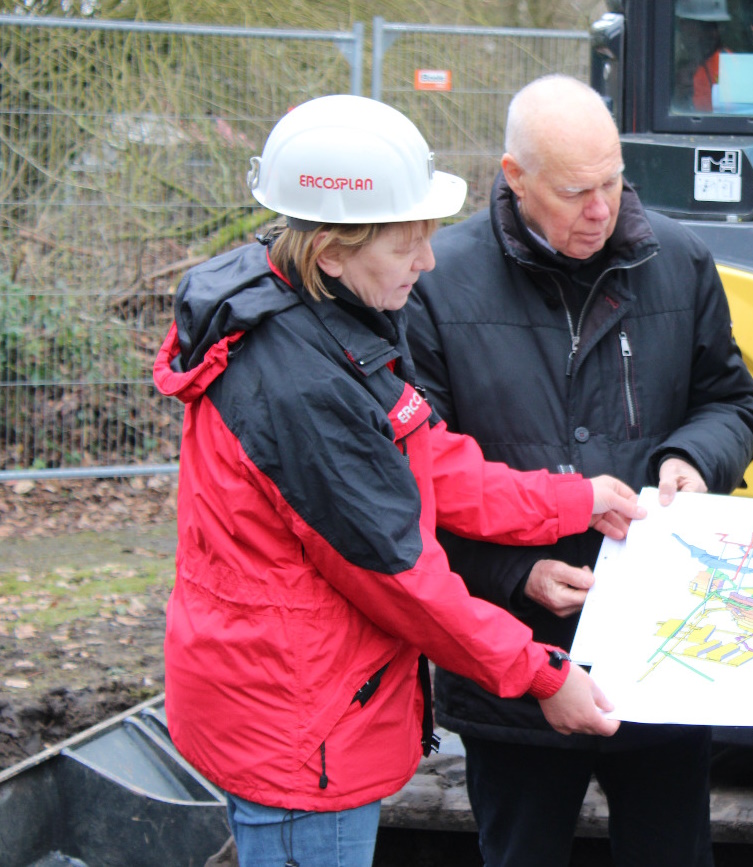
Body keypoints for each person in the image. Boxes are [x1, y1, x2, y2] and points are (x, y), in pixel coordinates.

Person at [152, 94, 645, 867]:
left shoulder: (324, 313)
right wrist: (542, 673)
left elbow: (425, 458)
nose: (428, 261)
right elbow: (399, 575)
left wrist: (574, 498)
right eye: (406, 243)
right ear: (332, 250)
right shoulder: (301, 386)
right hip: (298, 726)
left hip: (306, 698)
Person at [405, 74, 753, 866]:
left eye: (612, 182)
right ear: (515, 176)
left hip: (663, 649)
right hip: (512, 661)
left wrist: (690, 457)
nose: (601, 210)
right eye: (574, 191)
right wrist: (514, 572)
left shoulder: (677, 259)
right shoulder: (435, 281)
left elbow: (732, 403)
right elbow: (416, 482)